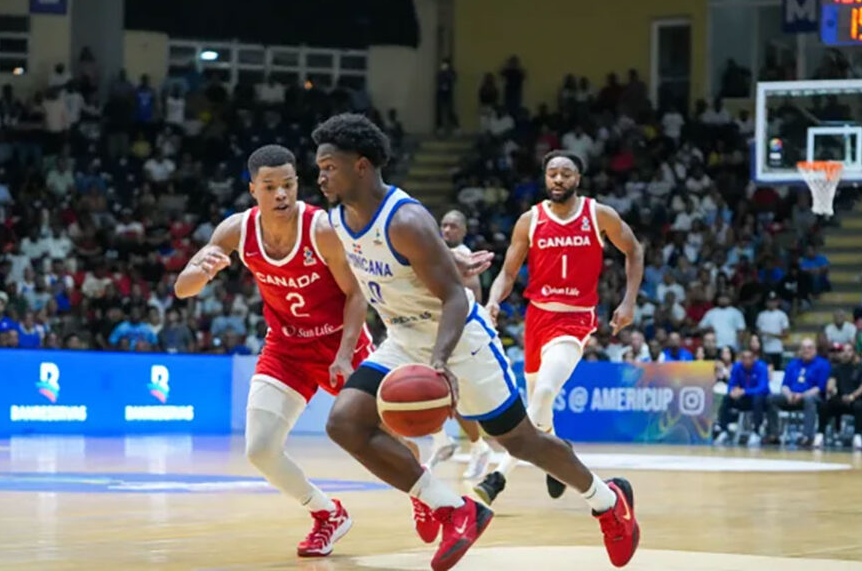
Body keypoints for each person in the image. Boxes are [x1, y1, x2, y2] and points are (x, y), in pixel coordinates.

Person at [314, 114, 639, 571]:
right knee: (344, 422)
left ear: (362, 166)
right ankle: (455, 509)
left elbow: (452, 296)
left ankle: (609, 502)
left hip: (460, 339)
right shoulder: (337, 221)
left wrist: (440, 361)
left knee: (523, 442)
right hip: (405, 337)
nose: (321, 175)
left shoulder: (406, 218)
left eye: (330, 166)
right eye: (320, 167)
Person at [174, 144, 489, 558]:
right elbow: (183, 289)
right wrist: (200, 271)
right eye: (270, 187)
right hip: (286, 349)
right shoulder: (235, 230)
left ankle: (423, 491)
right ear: (253, 190)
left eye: (288, 184)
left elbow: (355, 293)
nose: (281, 194)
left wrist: (343, 353)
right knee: (260, 449)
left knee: (394, 433)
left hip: (340, 342)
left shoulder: (320, 227)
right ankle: (327, 514)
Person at [472, 150, 643, 506]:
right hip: (537, 319)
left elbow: (634, 250)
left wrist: (628, 301)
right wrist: (493, 300)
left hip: (575, 318)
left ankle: (498, 478)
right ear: (545, 178)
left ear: (577, 179)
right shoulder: (529, 220)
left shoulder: (598, 214)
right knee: (540, 408)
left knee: (544, 393)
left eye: (566, 173)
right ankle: (556, 455)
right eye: (552, 173)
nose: (558, 179)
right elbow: (507, 271)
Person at [431, 209, 494, 481]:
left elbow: (474, 298)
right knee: (427, 389)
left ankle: (478, 447)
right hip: (434, 331)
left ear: (464, 231)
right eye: (443, 225)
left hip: (458, 334)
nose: (447, 230)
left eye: (453, 226)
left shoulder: (465, 257)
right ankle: (443, 440)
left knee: (457, 398)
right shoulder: (437, 253)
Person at [765, 339, 830, 447]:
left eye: (809, 348)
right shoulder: (793, 364)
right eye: (804, 348)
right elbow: (785, 385)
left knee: (809, 400)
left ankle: (807, 436)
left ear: (815, 350)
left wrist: (802, 395)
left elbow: (820, 387)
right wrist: (789, 394)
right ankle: (774, 434)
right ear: (800, 350)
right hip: (791, 397)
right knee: (771, 398)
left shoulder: (823, 364)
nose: (806, 351)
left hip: (813, 397)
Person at [819, 342, 862, 450]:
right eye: (844, 351)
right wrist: (831, 388)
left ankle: (857, 436)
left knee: (860, 406)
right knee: (824, 405)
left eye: (849, 351)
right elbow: (831, 382)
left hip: (856, 399)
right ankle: (820, 434)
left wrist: (852, 396)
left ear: (854, 353)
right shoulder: (837, 368)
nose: (846, 354)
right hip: (840, 399)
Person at [714, 349, 769, 447]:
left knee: (758, 398)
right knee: (727, 398)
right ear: (741, 359)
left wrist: (745, 391)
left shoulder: (761, 367)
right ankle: (723, 431)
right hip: (744, 399)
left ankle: (756, 432)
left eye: (749, 358)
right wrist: (732, 391)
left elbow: (763, 387)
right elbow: (732, 384)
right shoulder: (737, 367)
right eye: (744, 358)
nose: (747, 361)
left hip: (760, 400)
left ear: (754, 359)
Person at [755, 292, 790, 369]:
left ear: (777, 302)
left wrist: (770, 334)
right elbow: (757, 332)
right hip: (764, 350)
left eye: (773, 301)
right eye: (769, 301)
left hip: (777, 349)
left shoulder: (782, 315)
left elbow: (786, 335)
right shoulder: (761, 315)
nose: (771, 303)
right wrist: (760, 334)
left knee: (777, 372)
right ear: (766, 302)